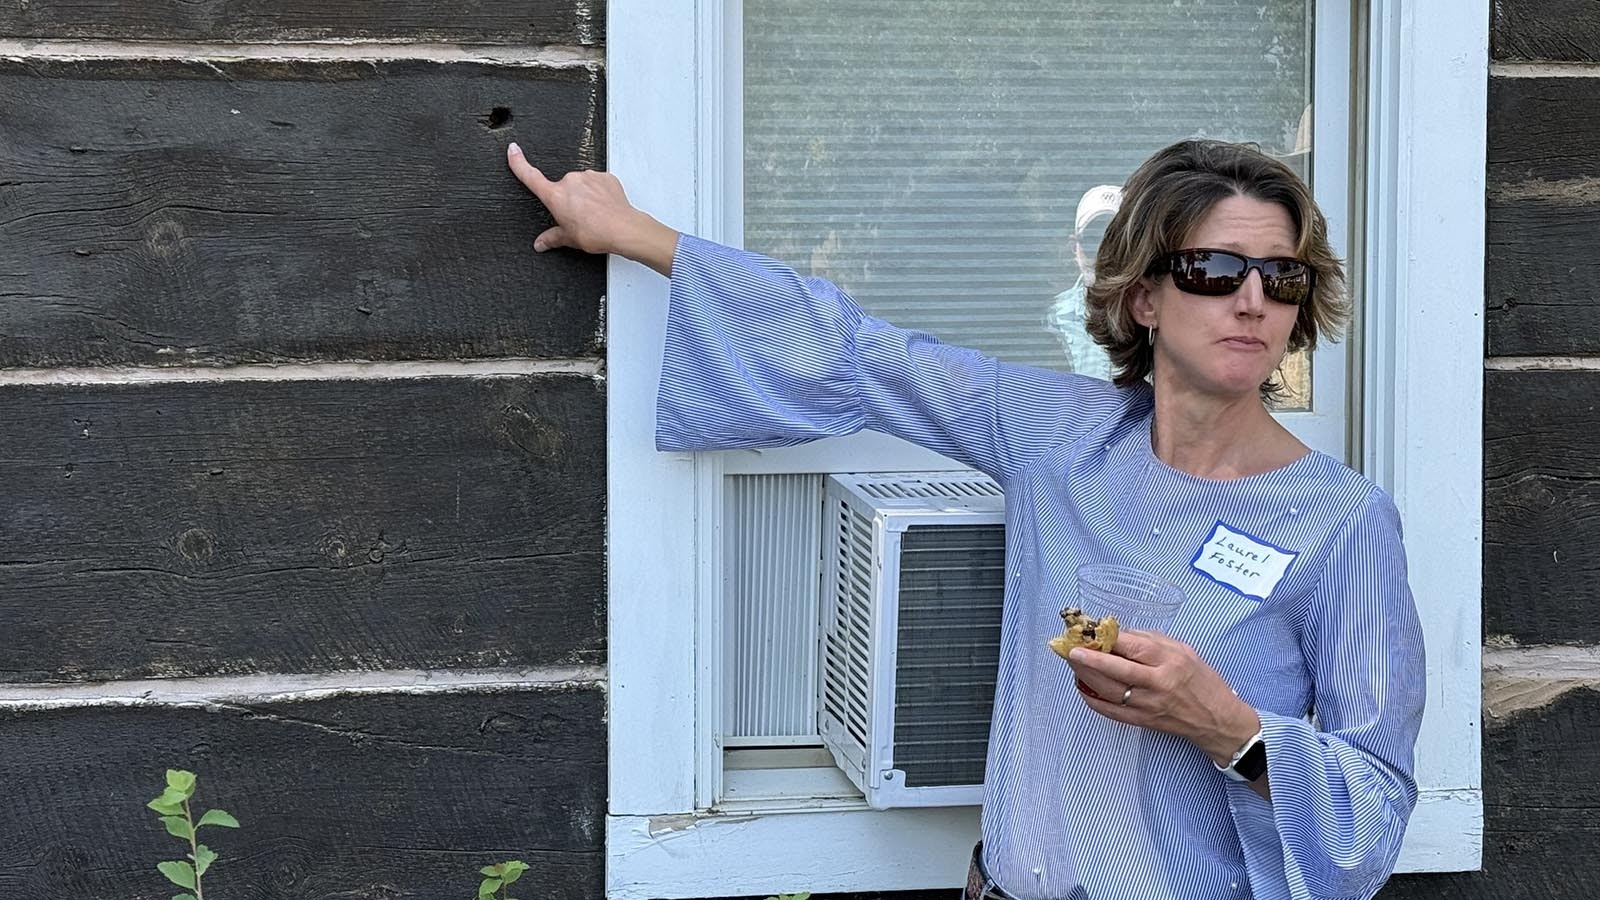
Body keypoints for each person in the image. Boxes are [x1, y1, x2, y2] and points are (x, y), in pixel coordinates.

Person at [504, 138, 1426, 900]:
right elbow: (863, 355)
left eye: (1282, 276)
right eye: (1216, 269)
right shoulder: (1055, 434)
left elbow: (1376, 807)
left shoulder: (1342, 523)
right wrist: (633, 234)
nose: (1252, 298)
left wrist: (1230, 725)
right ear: (1144, 296)